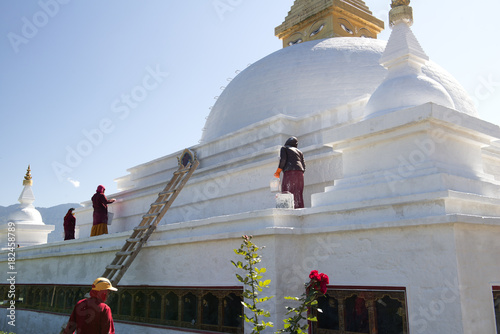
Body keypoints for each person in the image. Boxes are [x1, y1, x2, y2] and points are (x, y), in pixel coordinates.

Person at [274, 136, 306, 208]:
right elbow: (304, 165)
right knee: (298, 192)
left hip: (290, 172)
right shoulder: (299, 151)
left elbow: (283, 160)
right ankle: (299, 208)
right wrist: (300, 172)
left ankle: (289, 208)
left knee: (288, 190)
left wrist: (278, 171)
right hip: (300, 173)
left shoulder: (284, 148)